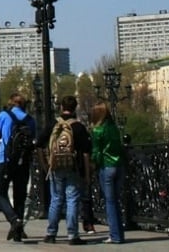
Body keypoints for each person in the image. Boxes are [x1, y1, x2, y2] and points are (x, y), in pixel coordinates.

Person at [41, 96, 92, 244]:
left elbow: (38, 143)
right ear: (75, 108)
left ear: (61, 107)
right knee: (72, 199)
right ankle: (72, 235)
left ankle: (51, 233)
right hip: (73, 166)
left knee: (56, 199)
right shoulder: (78, 127)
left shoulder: (53, 124)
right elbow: (86, 151)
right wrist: (87, 173)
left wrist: (45, 165)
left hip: (55, 166)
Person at [0, 91, 37, 242]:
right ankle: (18, 231)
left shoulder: (4, 115)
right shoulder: (30, 119)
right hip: (23, 160)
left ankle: (14, 220)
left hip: (5, 159)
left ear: (11, 103)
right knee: (20, 195)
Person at [90, 101, 126, 245]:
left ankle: (115, 235)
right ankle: (120, 233)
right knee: (116, 201)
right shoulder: (114, 128)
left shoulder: (98, 130)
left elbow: (96, 151)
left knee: (110, 202)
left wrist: (93, 164)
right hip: (119, 165)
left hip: (106, 166)